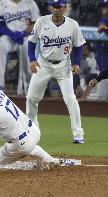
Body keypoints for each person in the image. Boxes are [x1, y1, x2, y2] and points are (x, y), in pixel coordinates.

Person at [0, 72, 77, 175]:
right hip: (34, 131)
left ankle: (34, 166)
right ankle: (52, 160)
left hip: (21, 145)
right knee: (29, 144)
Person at [26, 0, 85, 144]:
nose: (57, 10)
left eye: (60, 7)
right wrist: (32, 59)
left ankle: (78, 134)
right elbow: (32, 42)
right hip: (43, 64)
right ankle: (32, 130)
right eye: (55, 6)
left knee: (70, 99)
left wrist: (76, 62)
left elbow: (78, 46)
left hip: (64, 65)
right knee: (31, 98)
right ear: (51, 7)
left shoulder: (72, 25)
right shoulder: (41, 22)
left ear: (65, 8)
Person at [0, 0, 40, 95]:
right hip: (9, 36)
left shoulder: (30, 3)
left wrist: (24, 33)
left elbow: (36, 24)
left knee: (28, 48)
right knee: (1, 45)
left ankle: (31, 84)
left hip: (27, 36)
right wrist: (11, 34)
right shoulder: (2, 4)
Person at [93, 0, 108, 100]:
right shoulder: (101, 20)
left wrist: (106, 28)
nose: (104, 8)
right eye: (103, 6)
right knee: (101, 101)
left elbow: (101, 27)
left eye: (106, 6)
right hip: (102, 71)